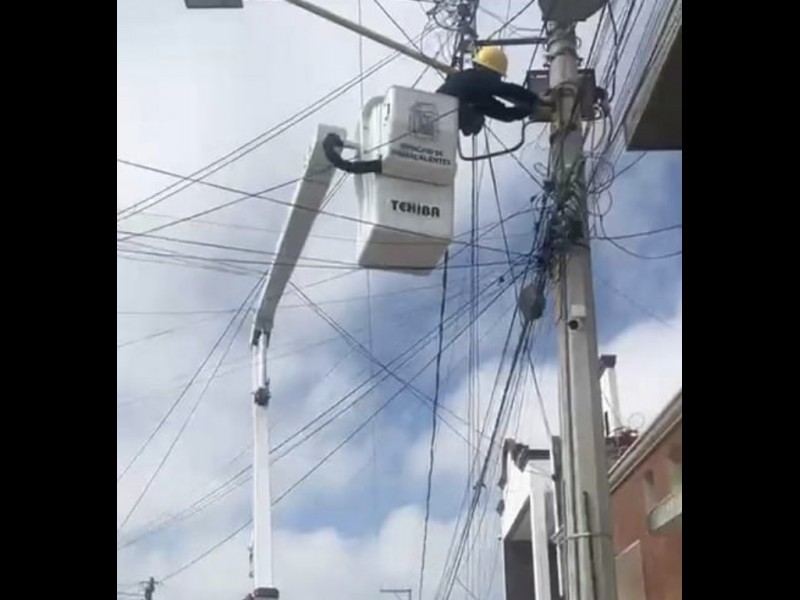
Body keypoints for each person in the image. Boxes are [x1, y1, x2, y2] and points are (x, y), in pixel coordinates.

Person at [437, 46, 545, 136]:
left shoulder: (476, 93)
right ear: (489, 71)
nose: (498, 79)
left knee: (476, 113)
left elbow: (502, 113)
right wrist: (534, 99)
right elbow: (507, 89)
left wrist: (528, 110)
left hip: (437, 121)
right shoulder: (474, 78)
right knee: (476, 115)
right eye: (498, 76)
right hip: (439, 115)